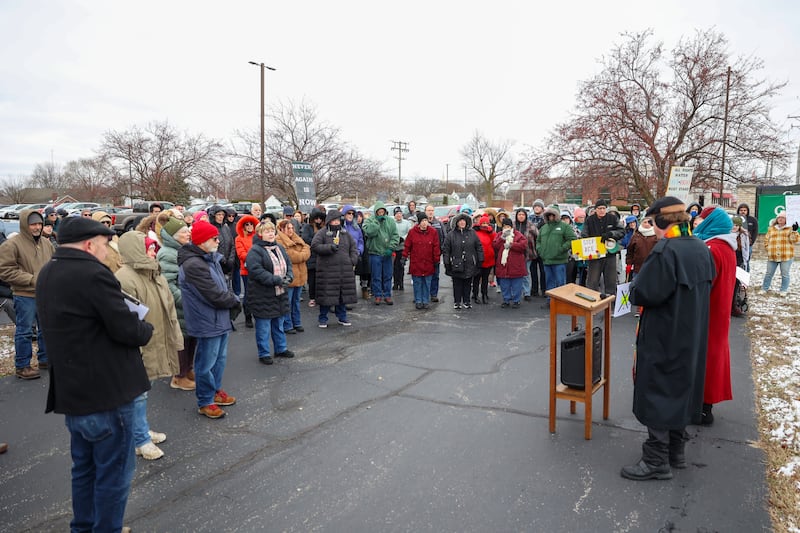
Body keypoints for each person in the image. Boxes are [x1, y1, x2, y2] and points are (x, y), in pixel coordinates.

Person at [37, 216, 154, 531]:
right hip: (108, 394)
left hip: (74, 393)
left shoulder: (49, 271)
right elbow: (128, 329)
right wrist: (146, 327)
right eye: (104, 246)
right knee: (113, 474)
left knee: (85, 470)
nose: (107, 252)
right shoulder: (92, 273)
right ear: (90, 245)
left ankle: (85, 527)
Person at [621, 196, 715, 481]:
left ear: (663, 221)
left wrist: (634, 286)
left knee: (658, 390)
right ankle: (676, 452)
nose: (653, 229)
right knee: (679, 390)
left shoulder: (666, 251)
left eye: (653, 222)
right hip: (692, 334)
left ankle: (656, 461)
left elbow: (643, 292)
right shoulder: (701, 248)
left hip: (664, 334)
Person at [115, 231, 182, 460]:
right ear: (136, 250)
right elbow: (125, 318)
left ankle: (140, 430)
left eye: (154, 246)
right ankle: (139, 440)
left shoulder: (155, 273)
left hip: (156, 340)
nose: (154, 250)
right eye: (148, 247)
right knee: (137, 393)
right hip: (139, 345)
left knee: (143, 392)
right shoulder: (124, 278)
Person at [178, 220, 241, 419]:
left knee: (219, 361)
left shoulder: (209, 258)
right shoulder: (193, 265)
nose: (218, 241)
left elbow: (223, 286)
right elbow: (213, 295)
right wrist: (235, 300)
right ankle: (205, 400)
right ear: (201, 241)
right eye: (213, 238)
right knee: (205, 363)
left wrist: (230, 298)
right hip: (206, 321)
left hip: (218, 318)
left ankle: (215, 392)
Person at [692, 206, 738, 425]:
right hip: (718, 311)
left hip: (706, 312)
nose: (695, 224)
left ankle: (702, 407)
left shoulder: (711, 248)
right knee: (713, 355)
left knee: (704, 357)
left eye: (700, 220)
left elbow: (698, 284)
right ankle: (705, 405)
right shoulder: (725, 247)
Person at [0, 209, 54, 380]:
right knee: (24, 332)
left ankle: (45, 359)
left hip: (45, 294)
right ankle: (22, 366)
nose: (37, 227)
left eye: (39, 223)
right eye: (33, 224)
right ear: (25, 225)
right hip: (24, 294)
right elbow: (5, 270)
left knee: (46, 329)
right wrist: (31, 280)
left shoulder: (47, 244)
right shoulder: (11, 244)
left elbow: (54, 264)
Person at [156, 215, 197, 391]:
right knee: (180, 342)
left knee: (190, 339)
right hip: (181, 306)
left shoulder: (182, 250)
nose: (188, 233)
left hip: (188, 304)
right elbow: (168, 285)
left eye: (188, 230)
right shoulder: (167, 254)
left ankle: (188, 370)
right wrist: (186, 299)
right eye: (183, 232)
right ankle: (179, 376)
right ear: (173, 236)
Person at [245, 221, 294, 364]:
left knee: (279, 323)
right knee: (264, 327)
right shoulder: (255, 251)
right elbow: (256, 271)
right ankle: (264, 353)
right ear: (260, 234)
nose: (271, 233)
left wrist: (289, 276)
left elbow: (288, 264)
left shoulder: (279, 247)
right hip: (262, 295)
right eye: (267, 231)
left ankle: (281, 348)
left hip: (279, 294)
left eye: (272, 230)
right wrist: (276, 280)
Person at [311, 210, 359, 327]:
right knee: (327, 296)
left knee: (342, 296)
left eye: (337, 220)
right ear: (329, 221)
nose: (336, 222)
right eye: (333, 220)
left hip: (344, 271)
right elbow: (315, 246)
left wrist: (352, 260)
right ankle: (323, 319)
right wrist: (329, 247)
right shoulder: (322, 233)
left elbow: (353, 248)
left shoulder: (345, 233)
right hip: (328, 271)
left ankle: (342, 317)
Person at [536, 205, 576, 308]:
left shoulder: (564, 226)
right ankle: (550, 301)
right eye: (548, 215)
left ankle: (560, 301)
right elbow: (538, 241)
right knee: (549, 282)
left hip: (560, 260)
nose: (551, 217)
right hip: (547, 260)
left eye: (553, 215)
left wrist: (561, 249)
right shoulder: (544, 227)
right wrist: (541, 251)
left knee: (560, 282)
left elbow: (572, 239)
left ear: (557, 215)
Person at [582, 199, 623, 296]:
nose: (602, 210)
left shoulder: (613, 219)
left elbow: (622, 231)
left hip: (610, 254)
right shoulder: (589, 220)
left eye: (604, 208)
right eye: (599, 208)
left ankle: (611, 303)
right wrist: (590, 241)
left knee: (611, 280)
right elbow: (584, 234)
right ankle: (591, 301)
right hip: (595, 255)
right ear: (595, 209)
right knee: (592, 281)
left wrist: (611, 234)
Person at [443, 211, 483, 309]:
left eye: (463, 221)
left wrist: (480, 259)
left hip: (469, 262)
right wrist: (447, 262)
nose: (462, 223)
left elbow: (479, 247)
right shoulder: (451, 235)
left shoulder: (472, 233)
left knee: (468, 283)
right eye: (460, 221)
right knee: (457, 284)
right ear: (456, 222)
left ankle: (467, 301)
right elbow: (446, 250)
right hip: (456, 263)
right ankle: (457, 301)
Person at [276, 219, 310, 334]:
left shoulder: (297, 238)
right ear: (281, 229)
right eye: (288, 228)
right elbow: (290, 256)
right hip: (290, 277)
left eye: (292, 228)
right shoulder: (279, 240)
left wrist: (302, 254)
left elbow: (307, 248)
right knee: (288, 302)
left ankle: (297, 322)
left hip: (300, 275)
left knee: (296, 302)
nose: (291, 230)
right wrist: (302, 255)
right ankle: (287, 324)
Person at [362, 201, 399, 305]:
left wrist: (391, 248)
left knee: (388, 275)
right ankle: (377, 295)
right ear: (376, 212)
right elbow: (369, 233)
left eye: (383, 211)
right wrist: (376, 223)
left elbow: (395, 236)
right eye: (379, 211)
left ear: (385, 212)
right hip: (375, 252)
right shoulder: (370, 221)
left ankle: (387, 295)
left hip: (387, 253)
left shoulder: (390, 221)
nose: (381, 213)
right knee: (376, 276)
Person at [403, 212, 441, 309]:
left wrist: (436, 259)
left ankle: (425, 300)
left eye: (426, 221)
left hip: (428, 262)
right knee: (417, 283)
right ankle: (418, 300)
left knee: (427, 283)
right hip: (416, 262)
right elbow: (407, 245)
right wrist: (404, 256)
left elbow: (436, 246)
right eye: (422, 221)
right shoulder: (412, 232)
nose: (424, 223)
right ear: (419, 222)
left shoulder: (433, 232)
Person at [493, 217, 529, 308]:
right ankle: (506, 300)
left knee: (517, 284)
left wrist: (512, 245)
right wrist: (502, 239)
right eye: (504, 226)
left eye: (508, 226)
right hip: (503, 264)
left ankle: (516, 300)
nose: (506, 228)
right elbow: (495, 245)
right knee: (505, 284)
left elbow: (523, 245)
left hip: (516, 264)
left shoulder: (518, 235)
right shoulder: (499, 235)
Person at [761, 211, 799, 297]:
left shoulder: (790, 228)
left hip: (786, 256)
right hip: (773, 256)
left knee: (785, 274)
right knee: (769, 273)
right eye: (779, 217)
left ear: (786, 220)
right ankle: (764, 288)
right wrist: (768, 249)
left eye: (783, 218)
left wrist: (794, 231)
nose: (780, 219)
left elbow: (795, 240)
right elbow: (766, 240)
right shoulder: (771, 228)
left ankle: (783, 290)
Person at [235, 214, 260, 328]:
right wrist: (255, 256)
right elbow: (241, 254)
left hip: (259, 268)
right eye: (247, 224)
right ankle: (248, 316)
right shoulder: (239, 238)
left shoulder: (258, 236)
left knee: (258, 293)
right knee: (248, 294)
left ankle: (258, 314)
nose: (249, 226)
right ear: (243, 226)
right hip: (247, 270)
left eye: (251, 224)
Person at [301, 207, 326, 307]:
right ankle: (312, 298)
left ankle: (320, 297)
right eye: (316, 218)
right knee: (312, 279)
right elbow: (305, 238)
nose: (318, 220)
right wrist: (318, 243)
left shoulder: (323, 228)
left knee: (321, 279)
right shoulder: (308, 227)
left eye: (320, 218)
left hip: (322, 256)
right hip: (312, 257)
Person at [513, 208, 537, 301]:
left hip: (528, 253)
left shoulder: (531, 225)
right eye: (519, 214)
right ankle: (516, 292)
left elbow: (538, 237)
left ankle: (527, 292)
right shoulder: (513, 225)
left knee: (526, 273)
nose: (521, 216)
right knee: (516, 273)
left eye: (523, 214)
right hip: (515, 253)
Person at [625, 216, 658, 282]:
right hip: (638, 268)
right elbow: (630, 251)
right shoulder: (636, 235)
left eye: (649, 222)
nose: (647, 224)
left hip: (654, 268)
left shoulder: (657, 235)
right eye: (644, 222)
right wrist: (629, 263)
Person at [472, 215, 496, 304]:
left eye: (486, 223)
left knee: (485, 279)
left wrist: (491, 232)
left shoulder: (491, 232)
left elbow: (495, 241)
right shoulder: (475, 232)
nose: (485, 225)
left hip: (489, 259)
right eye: (483, 223)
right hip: (478, 259)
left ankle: (484, 294)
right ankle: (475, 294)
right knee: (477, 278)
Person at [207, 205, 236, 278]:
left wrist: (231, 259)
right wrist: (221, 259)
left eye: (223, 214)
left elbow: (232, 244)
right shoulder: (210, 228)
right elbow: (209, 246)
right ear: (213, 216)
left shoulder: (226, 228)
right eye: (218, 214)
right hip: (216, 263)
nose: (221, 217)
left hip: (228, 264)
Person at [424, 204, 445, 302]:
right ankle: (424, 294)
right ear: (425, 212)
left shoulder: (439, 224)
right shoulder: (421, 224)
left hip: (436, 254)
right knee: (424, 275)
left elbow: (444, 238)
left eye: (432, 210)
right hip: (424, 255)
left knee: (435, 275)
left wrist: (441, 250)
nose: (430, 212)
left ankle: (433, 294)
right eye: (428, 210)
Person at [529, 199, 547, 296]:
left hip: (542, 248)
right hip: (531, 247)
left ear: (542, 208)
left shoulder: (545, 219)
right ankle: (534, 289)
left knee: (543, 270)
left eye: (539, 206)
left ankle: (544, 289)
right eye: (535, 206)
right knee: (533, 270)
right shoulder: (529, 219)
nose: (537, 208)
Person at [392, 206, 413, 291]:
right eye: (397, 214)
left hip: (403, 248)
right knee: (394, 267)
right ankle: (395, 283)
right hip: (394, 248)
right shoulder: (392, 223)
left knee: (401, 266)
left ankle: (401, 282)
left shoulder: (407, 223)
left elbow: (410, 232)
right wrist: (396, 239)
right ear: (394, 215)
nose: (398, 215)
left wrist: (403, 238)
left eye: (400, 213)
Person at [737, 203, 758, 268]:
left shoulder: (753, 220)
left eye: (744, 210)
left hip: (748, 245)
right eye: (741, 210)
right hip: (737, 245)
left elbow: (755, 232)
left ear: (747, 211)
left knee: (746, 260)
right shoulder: (735, 219)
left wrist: (751, 243)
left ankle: (746, 274)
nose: (743, 212)